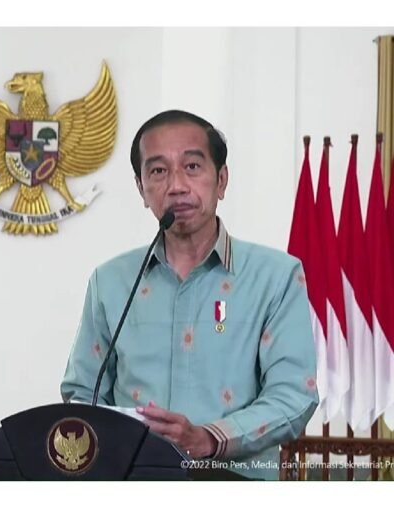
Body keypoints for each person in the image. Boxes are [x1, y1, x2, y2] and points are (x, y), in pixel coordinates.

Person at [60, 110, 318, 480]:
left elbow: (294, 396)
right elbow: (84, 392)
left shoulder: (275, 277)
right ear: (141, 189)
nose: (177, 186)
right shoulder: (111, 281)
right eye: (158, 171)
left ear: (221, 180)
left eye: (193, 166)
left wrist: (209, 438)